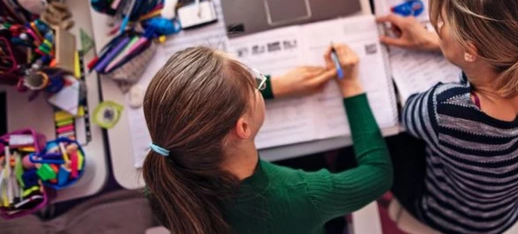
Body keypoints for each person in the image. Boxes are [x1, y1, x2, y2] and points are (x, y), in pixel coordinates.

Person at [377, 0, 518, 234]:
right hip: (514, 199)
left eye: (441, 23)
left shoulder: (448, 110)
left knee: (359, 151)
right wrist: (436, 44)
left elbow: (407, 116)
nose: (437, 27)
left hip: (457, 217)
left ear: (471, 51)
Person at [141, 44, 392, 234]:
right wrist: (350, 85)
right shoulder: (303, 195)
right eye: (255, 86)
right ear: (243, 128)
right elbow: (379, 174)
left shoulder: (166, 184)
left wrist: (277, 86)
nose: (259, 85)